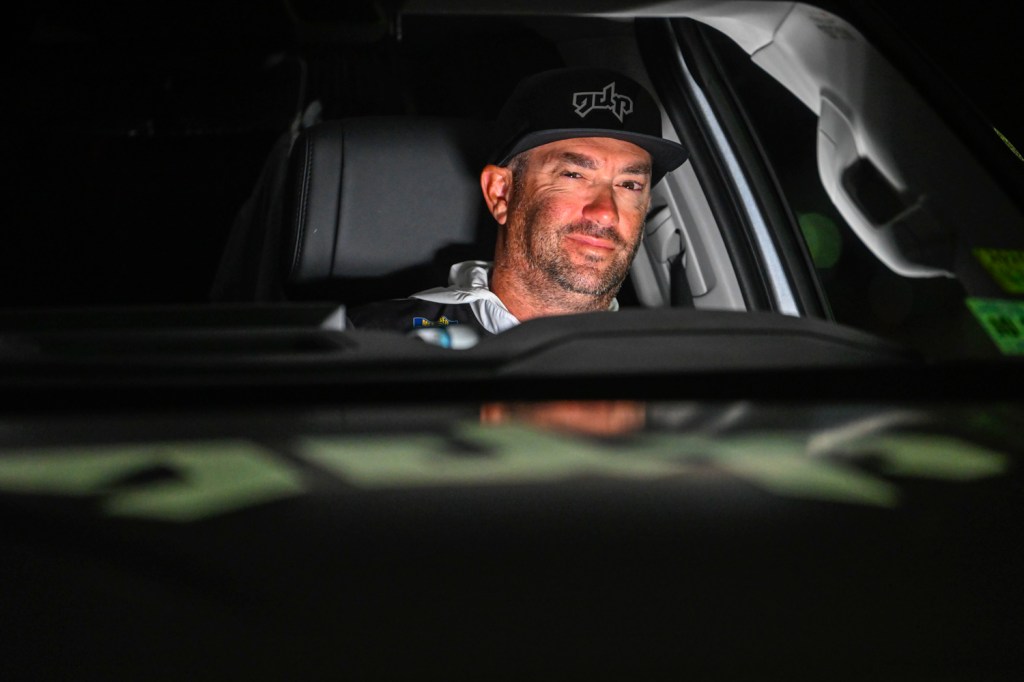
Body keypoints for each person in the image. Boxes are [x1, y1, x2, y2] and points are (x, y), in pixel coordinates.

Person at [347, 67, 687, 337]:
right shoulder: (371, 343)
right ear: (501, 193)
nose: (605, 213)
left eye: (629, 184)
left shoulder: (673, 363)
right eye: (573, 175)